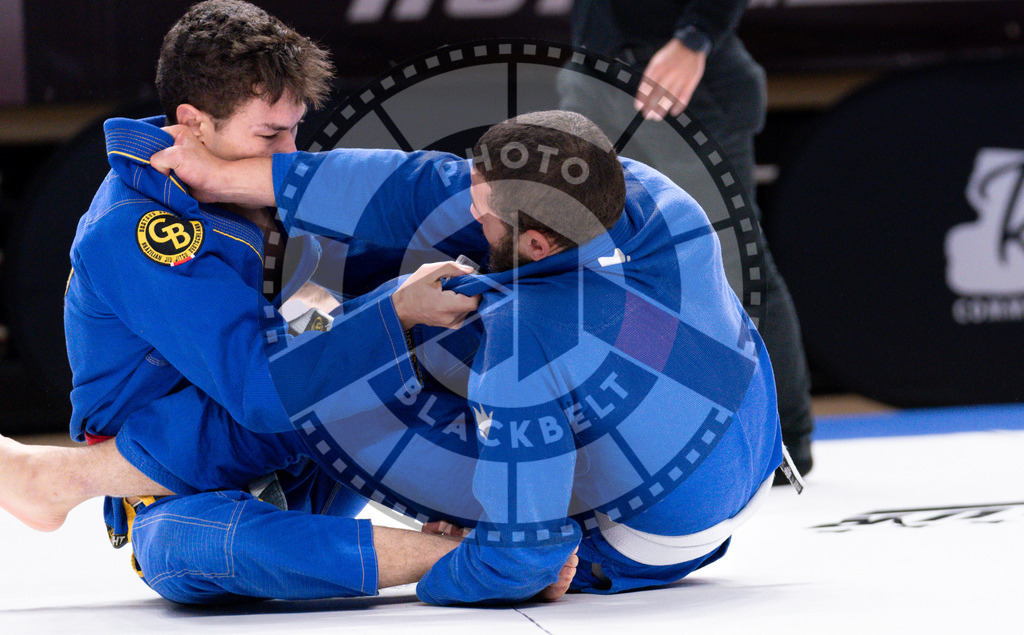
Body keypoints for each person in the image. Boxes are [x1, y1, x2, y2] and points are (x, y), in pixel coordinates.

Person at [129, 109, 783, 604]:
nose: (468, 195)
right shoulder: (649, 196)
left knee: (348, 377)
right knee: (423, 267)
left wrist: (443, 568)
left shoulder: (526, 345)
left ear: (534, 240)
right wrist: (239, 177)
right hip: (743, 433)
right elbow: (424, 186)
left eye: (484, 204)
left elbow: (525, 559)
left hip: (647, 536)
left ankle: (146, 470)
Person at [5, 0, 497, 601]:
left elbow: (412, 227)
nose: (289, 154)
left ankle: (519, 498)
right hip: (191, 487)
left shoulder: (272, 181)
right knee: (186, 549)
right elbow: (263, 395)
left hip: (316, 458)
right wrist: (392, 311)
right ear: (193, 123)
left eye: (296, 129)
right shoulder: (135, 233)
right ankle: (459, 552)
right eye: (269, 134)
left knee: (470, 286)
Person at [557, 0, 814, 477]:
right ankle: (610, 436)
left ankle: (784, 439)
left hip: (679, 84)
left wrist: (697, 37)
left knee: (735, 261)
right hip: (598, 75)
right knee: (586, 261)